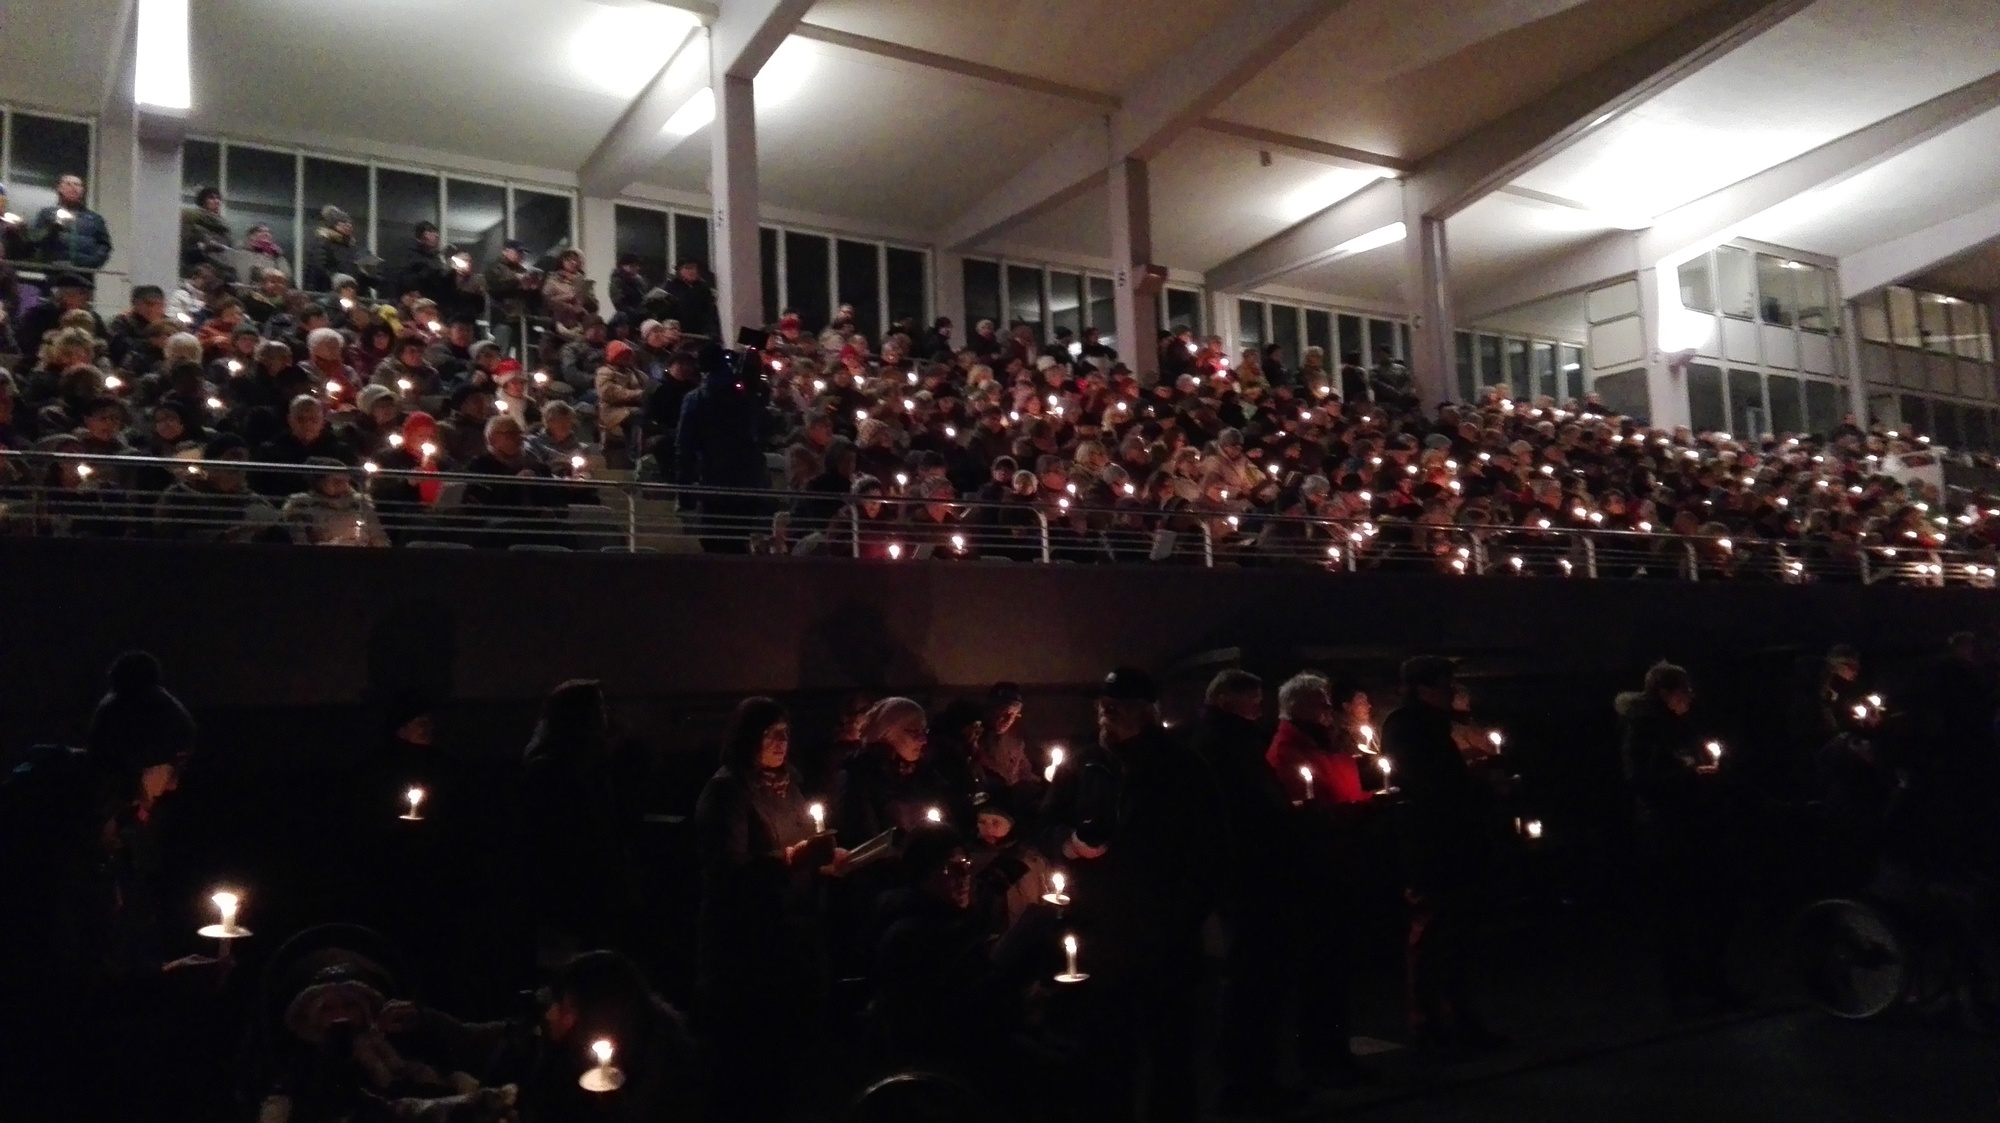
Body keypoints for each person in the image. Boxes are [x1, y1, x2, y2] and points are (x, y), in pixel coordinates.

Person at [1038, 666, 1221, 1123]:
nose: (1106, 714)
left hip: (1164, 931)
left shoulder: (1182, 768)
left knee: (1169, 1048)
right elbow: (1045, 823)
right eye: (1103, 706)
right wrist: (1069, 843)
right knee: (1105, 1047)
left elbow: (1209, 850)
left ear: (1145, 711)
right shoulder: (1085, 765)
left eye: (1117, 707)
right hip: (1101, 930)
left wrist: (1183, 916)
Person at [694, 697, 839, 1123]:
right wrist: (791, 861)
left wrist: (829, 861)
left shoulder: (788, 785)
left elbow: (804, 839)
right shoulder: (727, 792)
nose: (781, 742)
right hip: (750, 942)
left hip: (795, 931)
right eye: (771, 734)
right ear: (747, 738)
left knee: (797, 1049)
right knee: (753, 1057)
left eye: (785, 733)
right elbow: (727, 871)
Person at [1190, 669, 1312, 1116]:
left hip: (1255, 874)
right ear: (1226, 699)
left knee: (1258, 980)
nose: (1260, 706)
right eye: (1252, 698)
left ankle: (1255, 1078)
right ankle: (1244, 1083)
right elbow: (1238, 811)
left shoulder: (1232, 740)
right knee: (1251, 981)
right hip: (1249, 876)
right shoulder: (1220, 745)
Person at [1382, 655, 1506, 1052]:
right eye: (1445, 684)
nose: (1452, 691)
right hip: (1430, 845)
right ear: (1423, 688)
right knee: (1434, 932)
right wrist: (1478, 783)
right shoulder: (1408, 726)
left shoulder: (1431, 725)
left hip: (1449, 842)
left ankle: (1458, 1020)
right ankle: (1430, 1027)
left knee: (1455, 936)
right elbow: (1432, 784)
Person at [1616, 661, 1745, 1016]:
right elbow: (1641, 779)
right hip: (1668, 834)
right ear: (1664, 692)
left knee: (1709, 909)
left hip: (1695, 828)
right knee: (1677, 914)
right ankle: (1683, 991)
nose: (1690, 696)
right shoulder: (1644, 727)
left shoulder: (1677, 724)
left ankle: (1707, 980)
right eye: (1684, 690)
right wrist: (1691, 777)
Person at [521, 680, 631, 965]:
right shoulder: (550, 770)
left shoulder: (591, 766)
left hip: (594, 889)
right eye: (598, 709)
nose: (605, 715)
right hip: (567, 892)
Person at [675, 344, 771, 552]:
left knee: (715, 545)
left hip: (714, 481)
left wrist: (684, 492)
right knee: (740, 545)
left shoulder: (696, 399)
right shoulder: (746, 394)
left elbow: (685, 447)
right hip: (749, 480)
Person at [28, 174, 113, 269]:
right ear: (60, 189)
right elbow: (34, 239)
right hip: (53, 270)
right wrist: (52, 229)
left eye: (77, 184)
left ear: (82, 190)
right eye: (68, 184)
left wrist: (92, 262)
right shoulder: (47, 214)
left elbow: (104, 246)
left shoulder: (94, 218)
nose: (73, 187)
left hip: (84, 272)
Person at [663, 258, 718, 340]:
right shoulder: (671, 287)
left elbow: (710, 312)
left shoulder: (703, 288)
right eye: (687, 268)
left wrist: (713, 331)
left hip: (701, 334)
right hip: (679, 333)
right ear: (679, 270)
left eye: (694, 268)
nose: (692, 271)